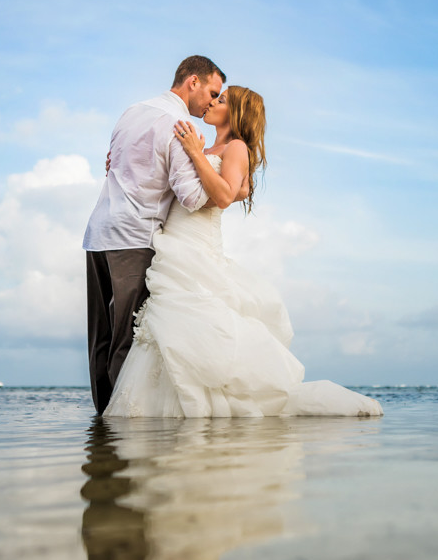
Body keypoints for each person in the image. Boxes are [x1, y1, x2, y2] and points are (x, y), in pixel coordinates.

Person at [103, 86, 382, 418]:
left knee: (189, 317)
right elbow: (216, 188)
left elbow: (223, 195)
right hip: (172, 243)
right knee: (165, 326)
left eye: (221, 101)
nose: (211, 103)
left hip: (196, 245)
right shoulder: (214, 146)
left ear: (235, 113)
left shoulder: (235, 147)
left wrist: (195, 153)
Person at [83, 56, 226, 413]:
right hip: (133, 237)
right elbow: (192, 197)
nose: (212, 101)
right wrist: (207, 165)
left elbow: (114, 165)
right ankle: (119, 430)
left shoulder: (132, 112)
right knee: (125, 340)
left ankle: (102, 428)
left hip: (98, 232)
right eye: (212, 92)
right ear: (192, 81)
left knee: (99, 338)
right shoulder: (177, 125)